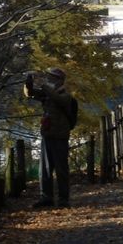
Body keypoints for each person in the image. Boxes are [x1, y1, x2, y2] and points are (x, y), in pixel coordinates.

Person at [24, 67, 74, 208]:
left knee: (61, 169)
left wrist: (44, 86)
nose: (49, 79)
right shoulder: (47, 93)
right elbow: (30, 94)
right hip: (47, 135)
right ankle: (46, 198)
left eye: (52, 77)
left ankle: (63, 199)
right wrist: (28, 82)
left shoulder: (66, 96)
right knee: (44, 170)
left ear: (60, 80)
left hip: (60, 136)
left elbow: (58, 99)